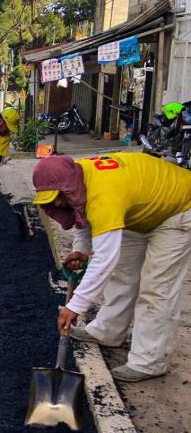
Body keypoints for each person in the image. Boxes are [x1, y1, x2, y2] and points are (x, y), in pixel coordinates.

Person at [33, 153, 191, 382]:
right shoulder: (79, 180)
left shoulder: (104, 196)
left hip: (179, 209)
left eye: (57, 196)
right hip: (139, 208)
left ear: (67, 187)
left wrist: (76, 306)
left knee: (157, 288)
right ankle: (108, 331)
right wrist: (80, 249)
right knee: (122, 275)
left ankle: (149, 361)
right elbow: (83, 216)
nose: (56, 203)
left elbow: (104, 259)